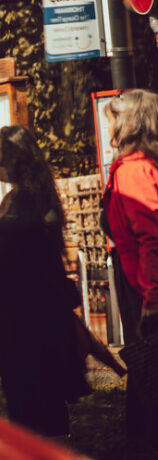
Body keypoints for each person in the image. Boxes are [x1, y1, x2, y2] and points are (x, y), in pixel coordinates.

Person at [0, 125, 90, 440]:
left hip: (30, 321)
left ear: (15, 159)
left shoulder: (27, 202)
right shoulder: (31, 196)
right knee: (37, 405)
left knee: (33, 405)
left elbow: (17, 257)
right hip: (31, 316)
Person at [100, 88, 158, 454]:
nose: (109, 132)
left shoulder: (133, 171)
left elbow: (152, 238)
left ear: (129, 125)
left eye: (113, 122)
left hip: (144, 291)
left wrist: (151, 301)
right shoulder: (147, 164)